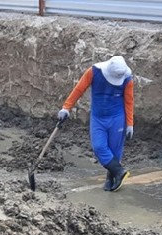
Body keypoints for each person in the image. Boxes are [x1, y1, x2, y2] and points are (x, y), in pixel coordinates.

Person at [57, 55, 134, 192]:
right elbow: (79, 89)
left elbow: (129, 101)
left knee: (115, 150)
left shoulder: (127, 79)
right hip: (98, 118)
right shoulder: (94, 72)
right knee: (99, 146)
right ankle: (119, 171)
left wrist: (130, 124)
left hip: (117, 118)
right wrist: (66, 108)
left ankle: (111, 177)